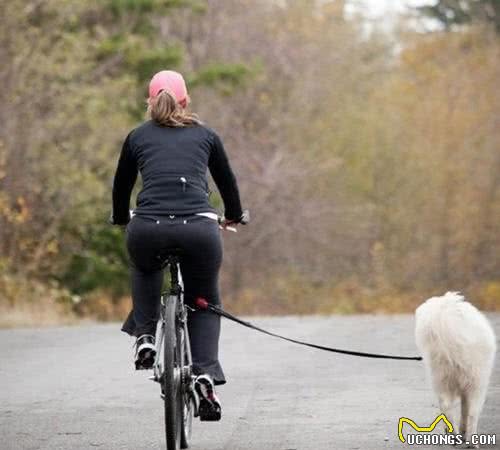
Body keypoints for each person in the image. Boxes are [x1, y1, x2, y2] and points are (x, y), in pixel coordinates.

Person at [110, 70, 245, 421]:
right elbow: (227, 183)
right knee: (205, 302)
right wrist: (232, 215)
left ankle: (145, 337)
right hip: (199, 230)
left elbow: (121, 186)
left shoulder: (137, 136)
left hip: (148, 227)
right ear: (185, 101)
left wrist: (120, 218)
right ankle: (204, 373)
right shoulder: (206, 136)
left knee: (144, 266)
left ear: (149, 102)